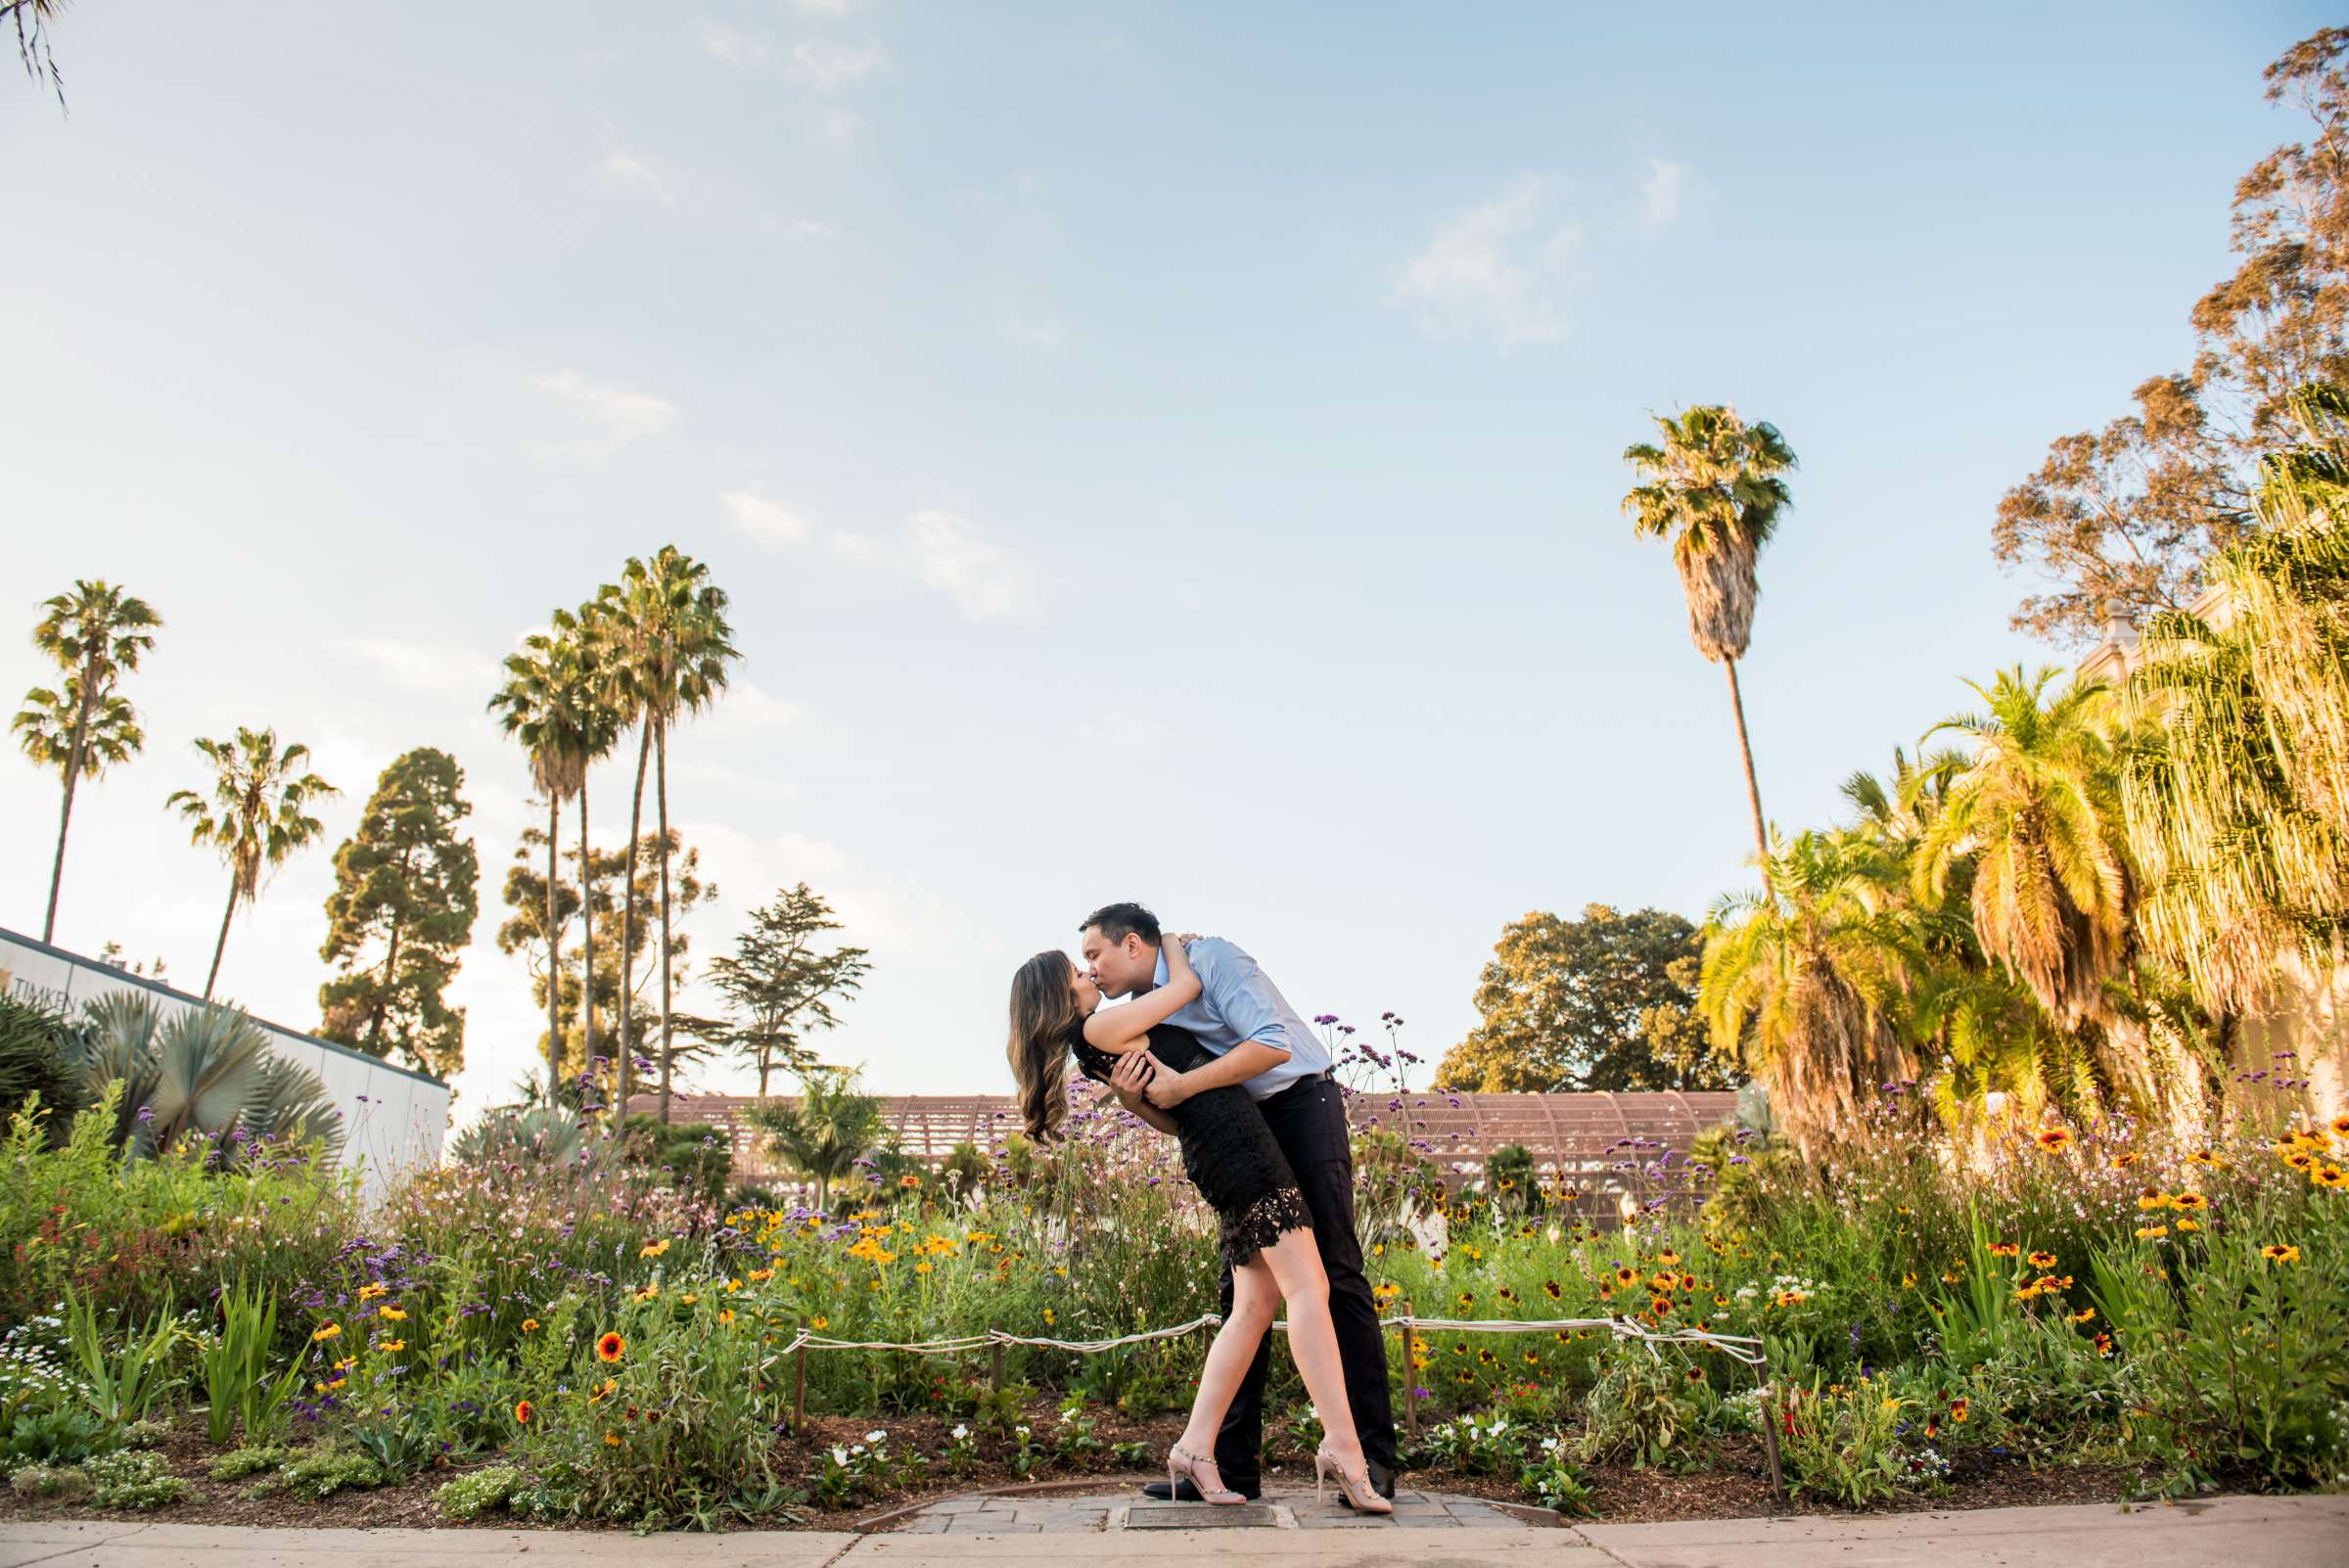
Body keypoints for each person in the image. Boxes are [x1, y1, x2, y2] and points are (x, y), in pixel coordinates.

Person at [1006, 927, 1392, 1515]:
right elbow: (1185, 986)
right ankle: (1344, 1449)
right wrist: (1173, 943)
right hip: (1240, 1151)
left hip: (1223, 1146)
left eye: (1089, 962)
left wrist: (1135, 1100)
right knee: (1310, 1288)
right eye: (1077, 973)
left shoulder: (1100, 1038)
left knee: (1254, 1306)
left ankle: (1195, 1448)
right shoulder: (1100, 1027)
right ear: (1059, 998)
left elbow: (1171, 1113)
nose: (1089, 975)